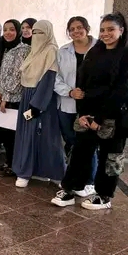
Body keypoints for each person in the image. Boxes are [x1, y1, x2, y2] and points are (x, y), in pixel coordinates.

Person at [52, 13, 128, 210]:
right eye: (102, 30)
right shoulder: (95, 52)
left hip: (113, 116)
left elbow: (121, 91)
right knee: (80, 153)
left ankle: (104, 195)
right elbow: (82, 84)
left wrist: (100, 119)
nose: (105, 34)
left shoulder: (125, 55)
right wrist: (83, 114)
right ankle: (70, 188)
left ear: (121, 30)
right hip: (88, 114)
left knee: (110, 157)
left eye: (111, 29)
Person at [12, 20, 65, 188]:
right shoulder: (33, 52)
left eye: (40, 33)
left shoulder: (51, 50)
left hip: (42, 99)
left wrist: (37, 105)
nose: (36, 36)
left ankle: (53, 172)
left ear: (48, 34)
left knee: (46, 136)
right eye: (34, 32)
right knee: (27, 134)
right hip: (27, 96)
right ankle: (26, 171)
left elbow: (49, 79)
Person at [54, 16, 97, 196]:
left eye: (79, 27)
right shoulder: (63, 51)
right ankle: (72, 177)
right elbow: (56, 78)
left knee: (88, 144)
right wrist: (70, 92)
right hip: (67, 104)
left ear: (87, 28)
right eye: (72, 29)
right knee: (71, 142)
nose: (76, 31)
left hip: (91, 105)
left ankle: (90, 181)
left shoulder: (100, 48)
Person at [0, 20, 30, 176]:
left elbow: (18, 76)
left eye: (12, 29)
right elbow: (0, 73)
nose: (8, 32)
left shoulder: (23, 50)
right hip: (2, 97)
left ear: (18, 31)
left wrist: (6, 97)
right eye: (5, 29)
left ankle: (15, 165)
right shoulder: (6, 48)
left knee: (14, 135)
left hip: (15, 99)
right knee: (5, 133)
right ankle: (8, 161)